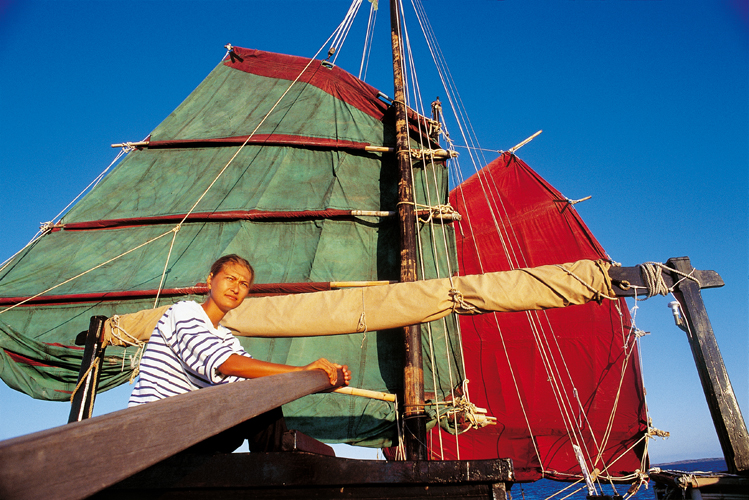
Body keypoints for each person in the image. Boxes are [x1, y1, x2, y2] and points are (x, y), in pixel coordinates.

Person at [129, 254, 351, 452]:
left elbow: (254, 380)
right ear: (210, 280)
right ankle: (275, 474)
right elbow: (225, 364)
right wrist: (301, 371)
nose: (236, 288)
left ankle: (275, 473)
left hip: (191, 432)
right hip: (157, 431)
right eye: (230, 278)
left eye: (244, 284)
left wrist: (322, 379)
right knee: (261, 397)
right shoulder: (184, 312)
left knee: (263, 396)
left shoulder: (225, 338)